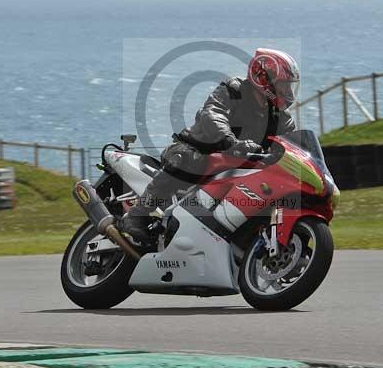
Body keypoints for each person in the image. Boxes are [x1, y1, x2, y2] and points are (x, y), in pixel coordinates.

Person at [120, 48, 300, 243]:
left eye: (289, 87)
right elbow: (213, 114)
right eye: (283, 86)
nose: (288, 92)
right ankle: (136, 215)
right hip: (198, 151)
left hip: (239, 168)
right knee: (185, 159)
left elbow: (291, 146)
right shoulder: (234, 90)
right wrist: (231, 142)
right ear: (263, 78)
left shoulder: (281, 119)